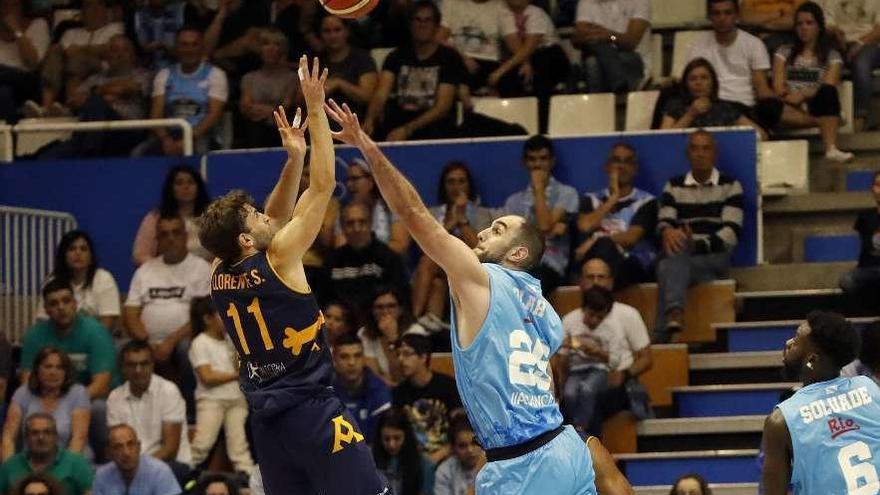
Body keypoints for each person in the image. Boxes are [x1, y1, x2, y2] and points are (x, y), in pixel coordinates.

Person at [326, 96, 635, 494]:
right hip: (562, 445)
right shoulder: (545, 308)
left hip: (523, 463)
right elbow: (548, 378)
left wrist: (367, 147)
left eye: (500, 229)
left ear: (518, 253)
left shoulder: (482, 278)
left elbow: (418, 217)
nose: (486, 230)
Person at [197, 57, 388, 494]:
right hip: (312, 412)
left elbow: (275, 213)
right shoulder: (280, 258)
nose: (265, 216)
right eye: (253, 217)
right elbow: (321, 186)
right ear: (246, 241)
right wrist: (317, 110)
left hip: (267, 423)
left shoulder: (217, 271)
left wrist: (293, 158)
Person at [761, 311, 880, 494]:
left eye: (796, 339)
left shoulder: (782, 419)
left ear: (812, 360)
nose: (788, 343)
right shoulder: (870, 388)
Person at [654, 130, 744, 343]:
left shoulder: (730, 186)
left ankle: (664, 330)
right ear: (687, 153)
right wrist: (668, 232)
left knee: (667, 267)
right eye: (695, 148)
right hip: (682, 254)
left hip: (714, 256)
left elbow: (730, 233)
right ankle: (673, 317)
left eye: (706, 148)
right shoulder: (673, 186)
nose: (700, 154)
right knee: (672, 262)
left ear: (715, 153)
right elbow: (664, 222)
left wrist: (695, 244)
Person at [20, 279, 116, 461]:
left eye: (66, 301)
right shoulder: (34, 335)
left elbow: (101, 385)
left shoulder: (95, 332)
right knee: (22, 406)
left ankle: (103, 463)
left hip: (88, 398)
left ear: (75, 304)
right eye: (54, 304)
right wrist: (49, 402)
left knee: (98, 408)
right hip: (47, 396)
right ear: (46, 310)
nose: (61, 307)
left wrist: (65, 403)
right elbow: (26, 382)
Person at [125, 213, 211, 413]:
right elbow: (130, 313)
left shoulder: (201, 269)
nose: (170, 238)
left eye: (175, 233)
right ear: (157, 240)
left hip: (184, 340)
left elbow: (201, 316)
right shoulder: (145, 271)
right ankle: (131, 412)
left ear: (185, 235)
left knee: (187, 350)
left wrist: (170, 342)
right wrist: (146, 341)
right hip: (148, 340)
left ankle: (190, 415)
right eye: (164, 234)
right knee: (125, 350)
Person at [765, 2, 853, 163]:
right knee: (768, 105)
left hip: (816, 104)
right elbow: (778, 87)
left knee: (827, 92)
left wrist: (803, 94)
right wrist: (794, 100)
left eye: (809, 23)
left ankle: (831, 149)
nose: (803, 28)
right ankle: (827, 123)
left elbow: (829, 84)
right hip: (790, 104)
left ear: (819, 26)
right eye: (799, 24)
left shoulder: (832, 55)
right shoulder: (784, 51)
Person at [363, 1, 463, 142]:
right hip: (400, 117)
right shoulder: (395, 57)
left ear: (436, 26)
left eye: (428, 20)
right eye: (417, 20)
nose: (422, 25)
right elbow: (381, 94)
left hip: (433, 122)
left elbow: (442, 107)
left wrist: (407, 130)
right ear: (410, 25)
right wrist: (369, 120)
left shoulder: (449, 58)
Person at [413, 161, 492, 329]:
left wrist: (462, 221)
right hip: (439, 266)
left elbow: (482, 251)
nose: (456, 187)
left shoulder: (482, 214)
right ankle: (418, 320)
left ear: (469, 185)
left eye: (461, 181)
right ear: (444, 186)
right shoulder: (432, 213)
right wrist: (450, 223)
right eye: (451, 181)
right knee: (434, 278)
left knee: (430, 265)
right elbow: (425, 245)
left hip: (470, 266)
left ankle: (415, 320)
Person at [502, 135, 579, 296]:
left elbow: (544, 225)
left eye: (543, 158)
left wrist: (538, 188)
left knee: (529, 285)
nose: (537, 164)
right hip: (520, 263)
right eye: (532, 159)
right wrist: (548, 229)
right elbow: (513, 239)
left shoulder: (567, 193)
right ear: (525, 162)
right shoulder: (513, 201)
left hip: (551, 264)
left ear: (552, 161)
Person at [575, 142, 657, 289]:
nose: (621, 166)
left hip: (630, 263)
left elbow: (630, 238)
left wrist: (596, 238)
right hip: (595, 263)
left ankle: (600, 295)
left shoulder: (646, 201)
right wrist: (613, 198)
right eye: (616, 160)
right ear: (607, 167)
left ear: (635, 169)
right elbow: (585, 226)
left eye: (627, 162)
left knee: (604, 245)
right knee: (597, 256)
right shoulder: (591, 199)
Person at [187, 297, 255, 475]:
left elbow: (240, 367)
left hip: (237, 400)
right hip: (212, 400)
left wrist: (237, 350)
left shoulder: (229, 341)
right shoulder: (199, 342)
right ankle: (184, 473)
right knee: (202, 444)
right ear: (207, 319)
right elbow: (207, 376)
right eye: (222, 315)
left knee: (239, 448)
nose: (228, 318)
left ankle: (248, 481)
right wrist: (236, 375)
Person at [578, 259, 653, 419]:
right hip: (579, 377)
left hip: (617, 382)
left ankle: (590, 443)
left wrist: (624, 374)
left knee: (594, 399)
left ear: (611, 282)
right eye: (590, 277)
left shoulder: (628, 314)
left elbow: (646, 358)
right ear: (581, 282)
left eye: (601, 277)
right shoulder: (571, 319)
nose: (596, 282)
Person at [137, 25, 228, 156]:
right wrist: (165, 139)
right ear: (176, 48)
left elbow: (214, 115)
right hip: (170, 134)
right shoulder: (164, 75)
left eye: (194, 45)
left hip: (201, 133)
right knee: (139, 153)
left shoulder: (215, 74)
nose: (189, 50)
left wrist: (188, 139)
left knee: (199, 152)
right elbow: (155, 115)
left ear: (201, 47)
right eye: (184, 45)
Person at [106, 341, 193, 475]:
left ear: (152, 365)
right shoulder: (114, 397)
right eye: (132, 365)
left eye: (144, 364)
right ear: (123, 368)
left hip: (170, 465)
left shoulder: (169, 391)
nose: (138, 370)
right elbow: (118, 445)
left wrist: (138, 468)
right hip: (130, 465)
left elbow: (170, 449)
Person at [557, 287, 629, 435]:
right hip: (575, 369)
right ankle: (574, 425)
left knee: (587, 389)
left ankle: (580, 427)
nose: (594, 320)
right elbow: (561, 352)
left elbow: (615, 362)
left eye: (600, 317)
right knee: (570, 393)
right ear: (584, 309)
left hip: (599, 369)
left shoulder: (612, 328)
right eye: (591, 315)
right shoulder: (570, 321)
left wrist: (599, 353)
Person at [684, 0, 774, 113]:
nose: (722, 18)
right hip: (710, 107)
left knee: (773, 108)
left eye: (727, 13)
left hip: (744, 106)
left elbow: (762, 90)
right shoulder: (696, 45)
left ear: (736, 15)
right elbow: (690, 84)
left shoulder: (754, 44)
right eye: (716, 13)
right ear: (709, 16)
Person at [2, 348, 90, 461]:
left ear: (66, 372)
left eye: (59, 367)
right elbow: (8, 437)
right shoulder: (23, 393)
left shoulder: (78, 393)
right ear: (37, 369)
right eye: (48, 366)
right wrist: (10, 470)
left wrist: (64, 470)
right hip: (30, 463)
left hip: (70, 464)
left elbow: (79, 439)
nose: (53, 372)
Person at [496, 0, 570, 131]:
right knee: (509, 80)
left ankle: (543, 128)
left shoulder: (536, 13)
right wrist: (525, 63)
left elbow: (530, 46)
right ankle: (515, 126)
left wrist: (500, 71)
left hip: (551, 55)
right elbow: (512, 41)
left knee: (540, 74)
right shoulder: (503, 13)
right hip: (525, 58)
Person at [325, 203, 410, 309]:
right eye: (350, 223)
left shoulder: (388, 258)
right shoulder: (332, 261)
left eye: (362, 222)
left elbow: (399, 298)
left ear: (371, 225)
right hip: (342, 321)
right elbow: (324, 301)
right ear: (342, 228)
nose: (357, 228)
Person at [392, 333, 463, 463]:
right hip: (412, 460)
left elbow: (461, 428)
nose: (401, 359)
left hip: (449, 456)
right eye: (398, 354)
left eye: (407, 354)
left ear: (423, 357)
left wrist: (442, 453)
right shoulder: (398, 393)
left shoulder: (447, 386)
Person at [35, 230, 121, 331]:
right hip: (58, 341)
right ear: (64, 255)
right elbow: (42, 321)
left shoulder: (104, 279)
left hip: (95, 341)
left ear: (91, 256)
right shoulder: (51, 282)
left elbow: (107, 324)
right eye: (72, 249)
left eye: (83, 249)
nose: (78, 253)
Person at [659, 58, 765, 136]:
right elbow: (663, 139)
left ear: (713, 82)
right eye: (693, 79)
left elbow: (760, 135)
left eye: (704, 78)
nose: (698, 83)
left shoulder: (724, 108)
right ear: (686, 83)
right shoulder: (674, 105)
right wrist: (690, 114)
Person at [132, 165, 212, 265]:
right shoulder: (156, 217)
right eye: (179, 183)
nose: (185, 187)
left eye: (190, 182)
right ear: (171, 189)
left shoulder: (211, 217)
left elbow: (221, 254)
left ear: (198, 187)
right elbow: (140, 255)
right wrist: (159, 270)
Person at [822, 0, 880, 131]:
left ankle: (859, 119)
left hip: (870, 42)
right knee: (827, 58)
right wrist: (837, 35)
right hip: (838, 41)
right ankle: (824, 116)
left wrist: (859, 43)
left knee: (861, 64)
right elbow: (827, 23)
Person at [0, 413, 92, 495]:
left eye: (47, 432)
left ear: (56, 436)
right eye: (34, 433)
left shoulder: (77, 465)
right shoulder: (9, 467)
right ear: (26, 437)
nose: (41, 438)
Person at [572, 0, 652, 93]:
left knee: (593, 63)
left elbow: (630, 42)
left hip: (632, 57)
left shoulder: (640, 2)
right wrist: (598, 36)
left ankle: (599, 102)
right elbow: (578, 38)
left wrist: (610, 36)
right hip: (597, 56)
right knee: (594, 58)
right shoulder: (587, 2)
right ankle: (618, 83)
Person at [239, 27, 298, 149]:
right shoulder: (249, 78)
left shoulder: (292, 78)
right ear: (259, 49)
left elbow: (286, 106)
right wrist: (269, 111)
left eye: (276, 44)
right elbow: (246, 106)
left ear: (282, 49)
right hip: (254, 128)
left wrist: (270, 111)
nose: (271, 49)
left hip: (281, 131)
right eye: (266, 44)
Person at [338, 159, 411, 254]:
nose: (349, 184)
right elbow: (340, 247)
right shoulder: (345, 210)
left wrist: (367, 250)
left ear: (371, 181)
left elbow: (400, 245)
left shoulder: (393, 207)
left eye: (355, 179)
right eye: (348, 180)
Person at [332, 332, 392, 443]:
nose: (352, 362)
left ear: (364, 358)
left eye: (357, 356)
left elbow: (380, 444)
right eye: (344, 357)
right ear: (334, 359)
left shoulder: (379, 391)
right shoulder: (324, 391)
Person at [358, 287, 426, 384]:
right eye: (379, 307)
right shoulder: (364, 334)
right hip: (380, 389)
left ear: (400, 309)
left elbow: (404, 375)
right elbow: (373, 374)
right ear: (372, 310)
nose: (385, 312)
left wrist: (392, 339)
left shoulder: (415, 331)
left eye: (391, 306)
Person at [92, 424, 181, 495]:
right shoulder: (102, 475)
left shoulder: (160, 472)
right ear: (109, 453)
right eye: (118, 447)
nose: (126, 453)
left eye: (130, 444)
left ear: (139, 447)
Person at [0, 0, 50, 123]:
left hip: (29, 83)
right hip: (6, 88)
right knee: (3, 93)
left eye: (15, 5)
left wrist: (17, 31)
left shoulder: (38, 25)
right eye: (4, 5)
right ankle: (12, 139)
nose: (9, 10)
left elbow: (33, 62)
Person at [437, 0, 504, 90]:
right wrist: (463, 58)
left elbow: (512, 38)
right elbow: (439, 38)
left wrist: (525, 61)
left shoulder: (500, 4)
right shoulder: (451, 2)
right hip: (457, 58)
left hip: (488, 62)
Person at [320, 15, 378, 118]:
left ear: (347, 31)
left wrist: (339, 83)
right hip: (319, 124)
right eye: (327, 31)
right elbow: (299, 99)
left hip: (353, 123)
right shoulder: (314, 59)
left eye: (337, 30)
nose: (332, 35)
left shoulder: (363, 59)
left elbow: (367, 96)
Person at [373, 408, 435, 495]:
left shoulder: (425, 465)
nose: (392, 444)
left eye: (397, 438)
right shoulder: (369, 462)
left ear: (406, 436)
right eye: (386, 439)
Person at [839, 172, 880, 298]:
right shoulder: (865, 217)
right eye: (878, 185)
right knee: (847, 281)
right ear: (872, 189)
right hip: (869, 270)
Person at [433, 415, 485, 495]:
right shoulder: (444, 472)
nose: (470, 450)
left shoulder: (492, 465)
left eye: (474, 443)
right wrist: (478, 482)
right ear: (453, 449)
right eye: (462, 446)